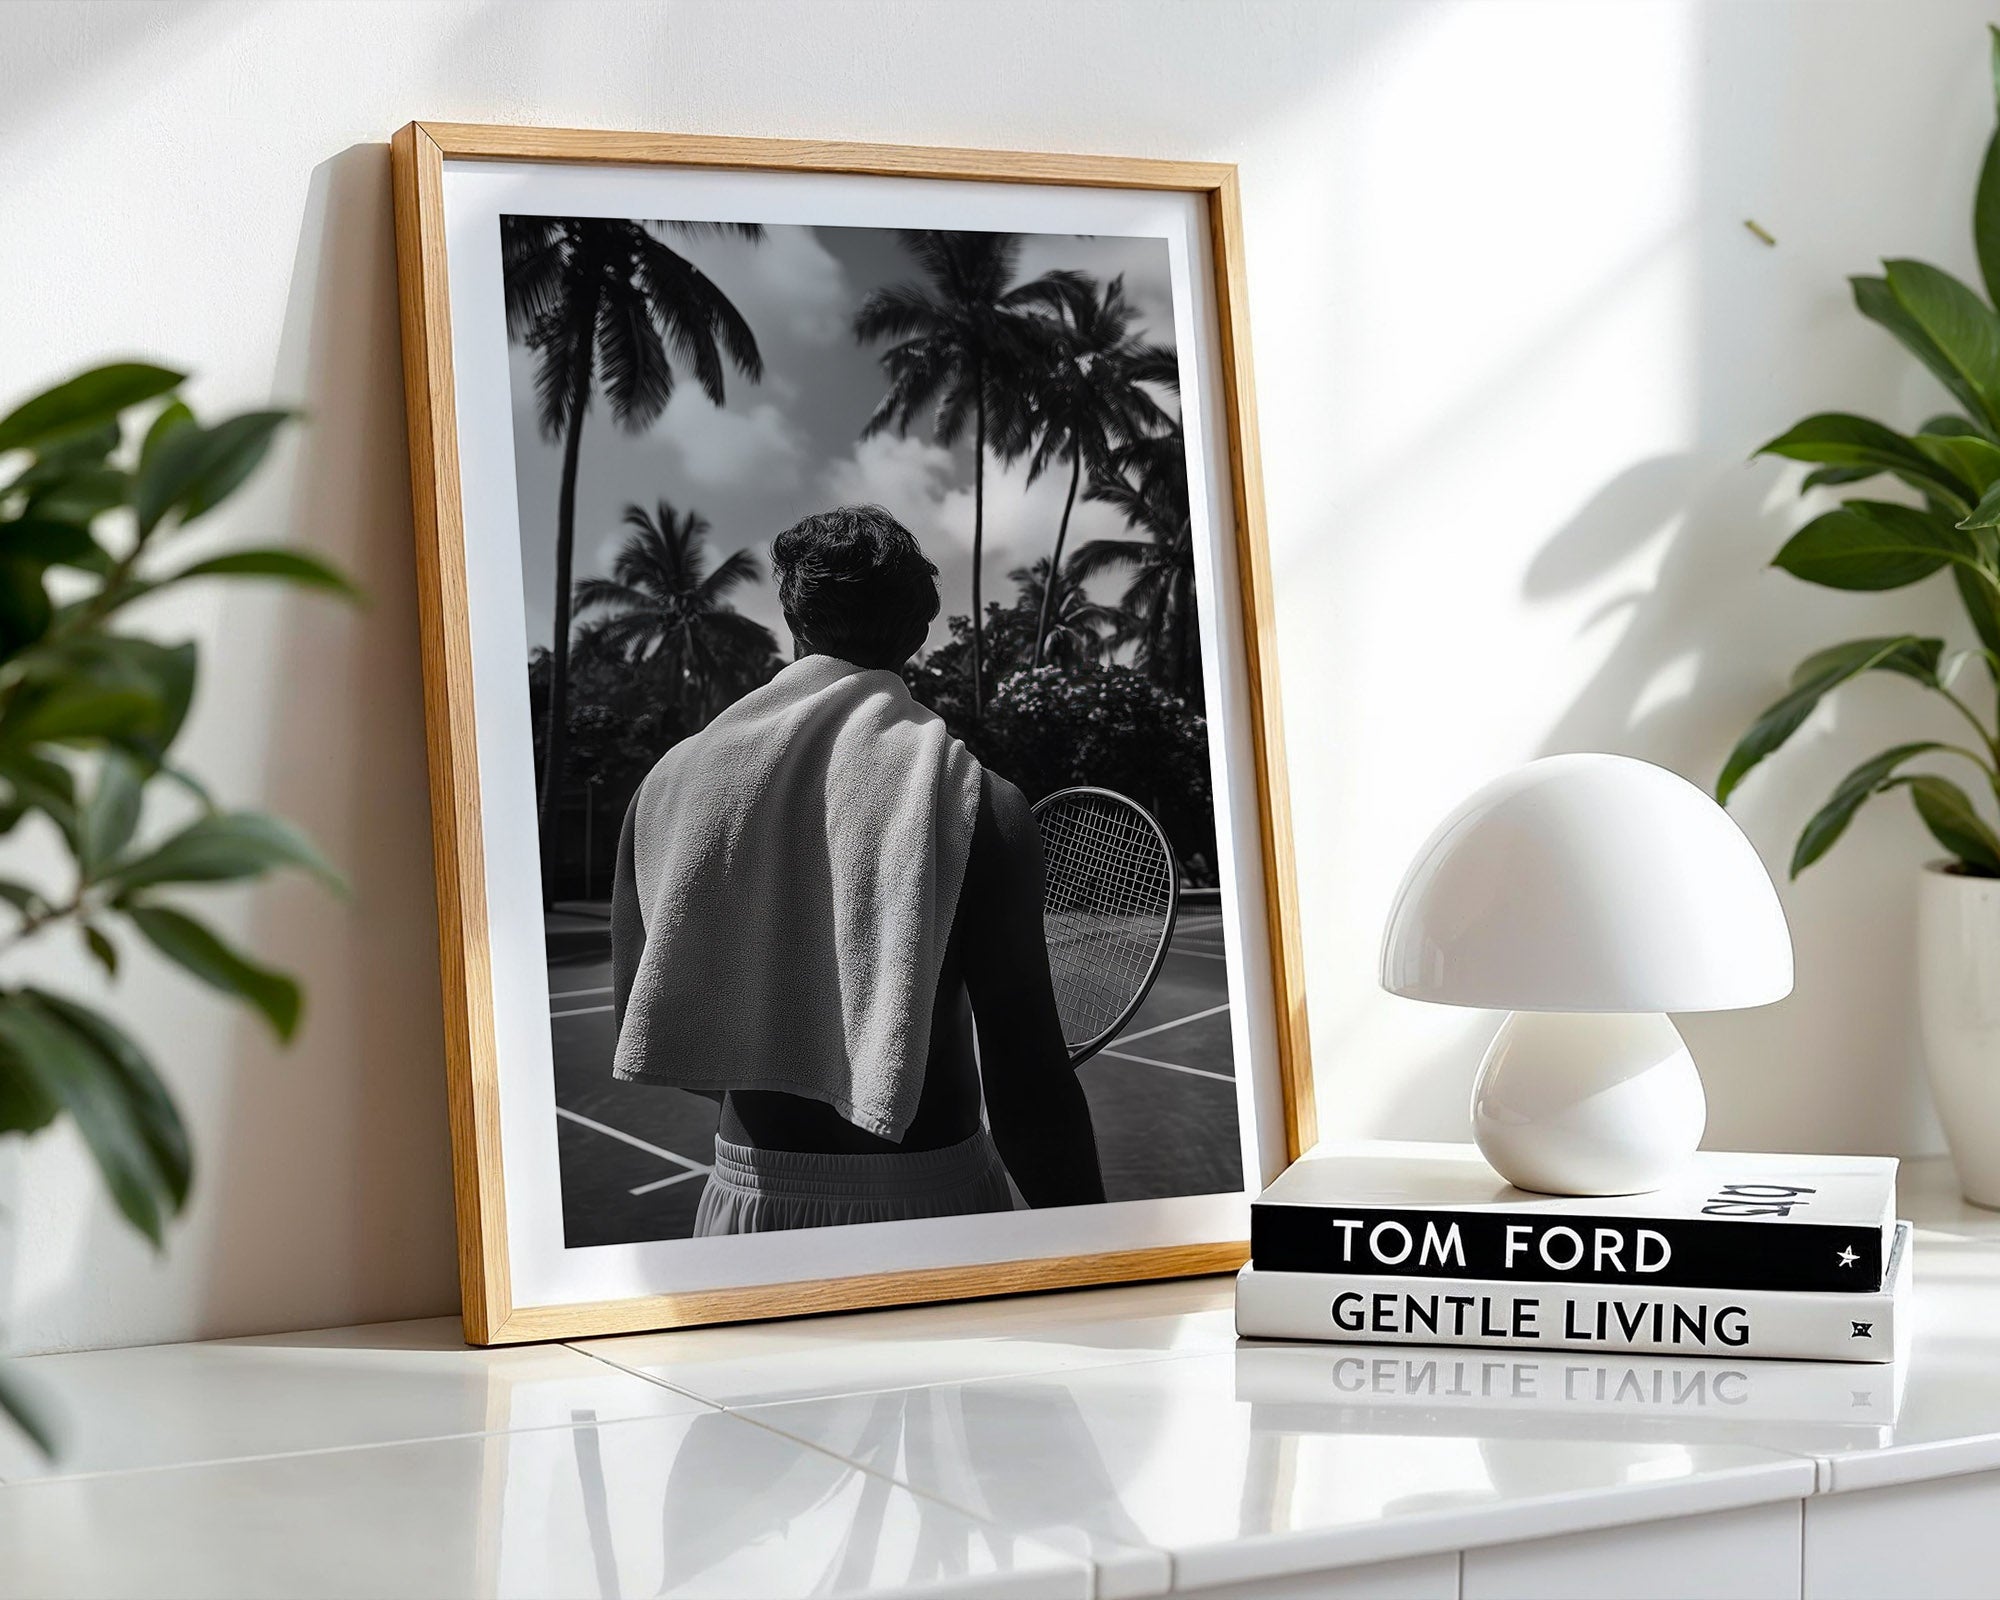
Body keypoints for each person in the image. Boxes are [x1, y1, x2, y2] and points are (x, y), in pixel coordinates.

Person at [610, 504, 1105, 1233]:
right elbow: (1028, 1083)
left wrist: (779, 1052)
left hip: (746, 1204)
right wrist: (1101, 1256)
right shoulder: (982, 803)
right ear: (917, 631)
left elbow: (648, 1019)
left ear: (795, 621)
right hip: (933, 1200)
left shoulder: (667, 786)